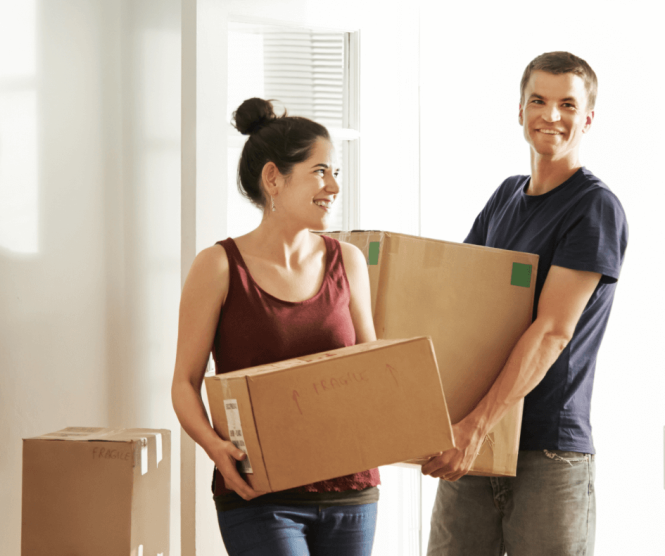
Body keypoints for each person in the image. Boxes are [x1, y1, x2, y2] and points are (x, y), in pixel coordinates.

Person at [422, 51, 629, 555]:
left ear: (588, 118)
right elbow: (457, 305)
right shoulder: (506, 197)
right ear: (519, 110)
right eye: (538, 100)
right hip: (476, 443)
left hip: (546, 450)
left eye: (567, 104)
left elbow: (553, 331)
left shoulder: (594, 207)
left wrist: (474, 427)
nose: (551, 116)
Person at [170, 97, 381, 556]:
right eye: (320, 172)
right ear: (273, 178)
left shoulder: (349, 261)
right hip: (259, 494)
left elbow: (373, 372)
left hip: (351, 491)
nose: (334, 187)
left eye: (336, 174)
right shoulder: (218, 267)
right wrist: (214, 449)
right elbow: (184, 384)